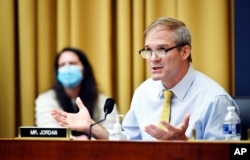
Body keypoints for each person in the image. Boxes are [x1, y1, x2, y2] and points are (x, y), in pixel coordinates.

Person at [51, 17, 239, 140]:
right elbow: (127, 145)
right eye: (148, 50)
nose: (153, 58)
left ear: (184, 51)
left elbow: (234, 154)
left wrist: (186, 145)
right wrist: (92, 127)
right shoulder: (144, 92)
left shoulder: (215, 100)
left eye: (162, 49)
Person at [35, 47, 119, 140]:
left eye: (72, 63)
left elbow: (113, 136)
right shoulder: (46, 99)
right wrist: (76, 141)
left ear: (83, 69)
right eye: (62, 65)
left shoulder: (104, 101)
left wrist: (90, 127)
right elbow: (49, 132)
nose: (67, 68)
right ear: (57, 72)